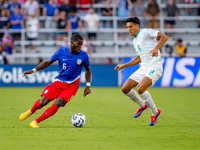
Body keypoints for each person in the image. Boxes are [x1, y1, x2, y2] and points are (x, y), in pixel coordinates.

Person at [19, 34, 92, 128]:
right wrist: (33, 70)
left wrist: (88, 85)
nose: (80, 47)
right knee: (43, 102)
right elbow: (47, 62)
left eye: (81, 45)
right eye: (78, 44)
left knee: (59, 102)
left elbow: (88, 70)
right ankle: (31, 111)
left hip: (72, 86)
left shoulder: (84, 55)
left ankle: (35, 122)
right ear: (71, 42)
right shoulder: (61, 52)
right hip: (58, 82)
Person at [114, 17, 168, 126]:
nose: (129, 29)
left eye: (131, 27)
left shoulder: (145, 32)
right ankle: (142, 105)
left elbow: (164, 36)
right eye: (127, 27)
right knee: (125, 88)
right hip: (143, 68)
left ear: (137, 26)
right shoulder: (135, 41)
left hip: (155, 66)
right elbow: (139, 58)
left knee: (141, 88)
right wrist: (124, 65)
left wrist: (156, 48)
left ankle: (155, 112)